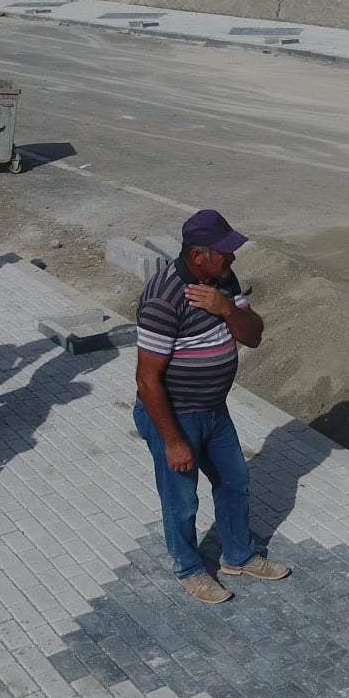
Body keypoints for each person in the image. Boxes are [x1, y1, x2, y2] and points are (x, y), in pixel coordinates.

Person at [133, 210, 288, 603]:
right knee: (181, 499)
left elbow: (253, 336)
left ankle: (238, 555)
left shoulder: (222, 281)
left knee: (235, 481)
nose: (232, 259)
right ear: (198, 255)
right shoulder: (162, 297)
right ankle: (189, 569)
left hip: (214, 411)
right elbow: (147, 379)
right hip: (175, 416)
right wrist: (172, 440)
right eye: (224, 253)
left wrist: (225, 309)